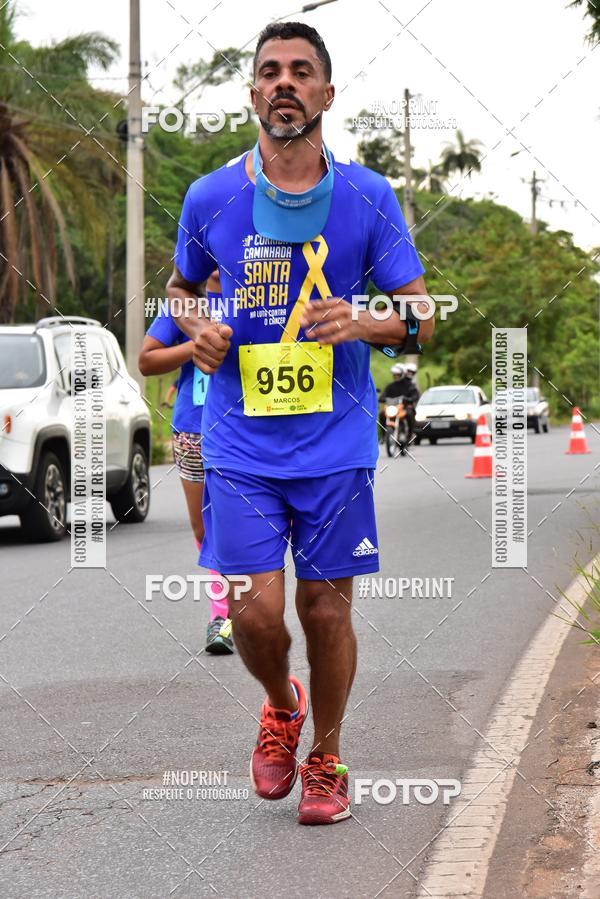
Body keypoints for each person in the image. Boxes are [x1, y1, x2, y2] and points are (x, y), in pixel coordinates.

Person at [167, 21, 434, 825]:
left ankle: (327, 757)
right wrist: (197, 328)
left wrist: (366, 322)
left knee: (324, 609)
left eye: (301, 71)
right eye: (271, 71)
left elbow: (422, 316)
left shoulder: (368, 196)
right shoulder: (211, 197)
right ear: (254, 92)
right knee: (254, 615)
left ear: (326, 92)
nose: (285, 82)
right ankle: (282, 704)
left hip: (336, 443)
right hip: (240, 444)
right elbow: (180, 290)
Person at [138, 273, 234, 654]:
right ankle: (227, 611)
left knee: (245, 523)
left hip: (245, 430)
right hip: (193, 430)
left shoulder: (253, 292)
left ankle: (227, 615)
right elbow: (146, 360)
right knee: (203, 526)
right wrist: (195, 345)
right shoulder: (184, 304)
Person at [379, 362, 420, 443]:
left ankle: (409, 435)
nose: (396, 376)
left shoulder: (410, 385)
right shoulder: (390, 386)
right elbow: (383, 395)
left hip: (404, 408)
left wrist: (409, 399)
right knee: (382, 414)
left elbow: (415, 395)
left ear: (402, 374)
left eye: (398, 374)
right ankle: (383, 435)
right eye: (395, 375)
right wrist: (382, 398)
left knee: (409, 414)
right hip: (393, 408)